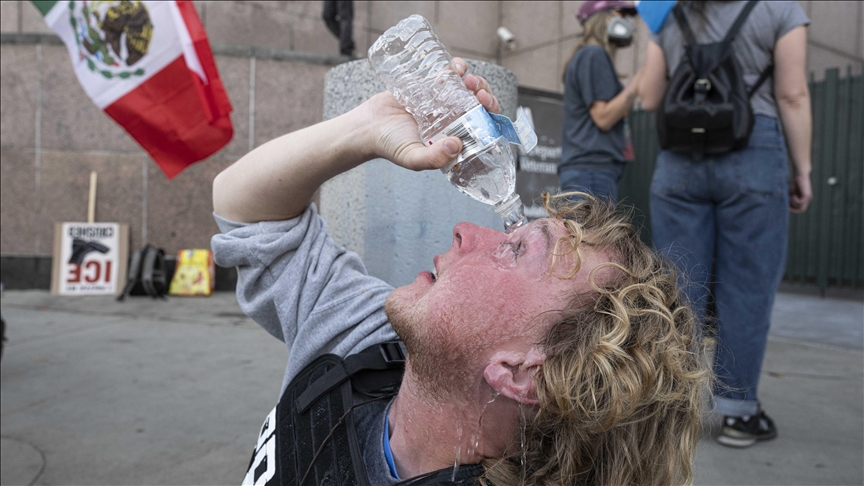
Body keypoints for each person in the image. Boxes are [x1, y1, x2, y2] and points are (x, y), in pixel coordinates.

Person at [212, 57, 711, 485]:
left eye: (515, 250)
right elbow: (247, 212)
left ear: (523, 372)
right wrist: (367, 125)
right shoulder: (365, 344)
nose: (465, 232)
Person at [638, 0, 812, 449]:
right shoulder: (780, 10)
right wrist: (803, 170)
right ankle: (737, 413)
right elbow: (792, 95)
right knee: (747, 289)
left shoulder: (668, 11)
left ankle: (674, 410)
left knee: (677, 289)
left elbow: (651, 97)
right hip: (753, 151)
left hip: (680, 159)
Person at [559, 0, 642, 202]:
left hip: (590, 172)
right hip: (591, 173)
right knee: (592, 235)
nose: (629, 22)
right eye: (622, 14)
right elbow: (603, 117)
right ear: (607, 18)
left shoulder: (588, 55)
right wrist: (640, 79)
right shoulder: (593, 54)